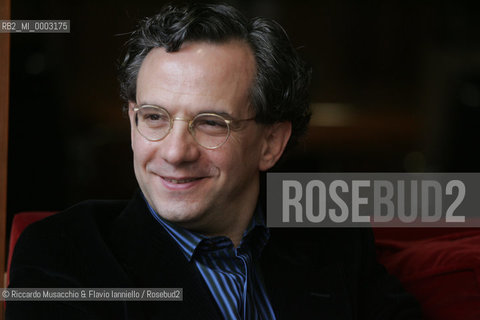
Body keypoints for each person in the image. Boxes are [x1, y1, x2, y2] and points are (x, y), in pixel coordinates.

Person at [7, 3, 422, 319]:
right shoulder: (63, 254)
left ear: (271, 143)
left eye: (210, 123)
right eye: (154, 117)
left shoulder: (332, 234)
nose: (174, 152)